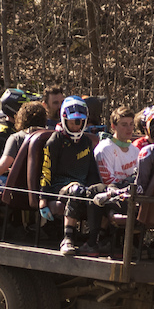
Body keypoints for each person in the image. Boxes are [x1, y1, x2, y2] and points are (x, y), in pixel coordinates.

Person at [0, 100, 50, 238]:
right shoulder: (51, 137)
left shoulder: (16, 138)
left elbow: (3, 165)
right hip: (43, 191)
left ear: (21, 117)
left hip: (17, 191)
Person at [40, 96, 106, 255]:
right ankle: (67, 239)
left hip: (82, 188)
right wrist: (43, 200)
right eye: (72, 121)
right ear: (64, 119)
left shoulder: (86, 142)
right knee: (77, 190)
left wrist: (99, 190)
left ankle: (96, 240)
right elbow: (46, 171)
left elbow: (92, 172)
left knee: (101, 190)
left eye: (80, 122)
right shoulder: (55, 141)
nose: (76, 126)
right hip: (59, 188)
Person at [95, 105, 140, 188]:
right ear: (113, 126)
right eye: (124, 125)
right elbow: (108, 182)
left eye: (131, 124)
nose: (129, 128)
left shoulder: (136, 151)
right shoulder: (105, 149)